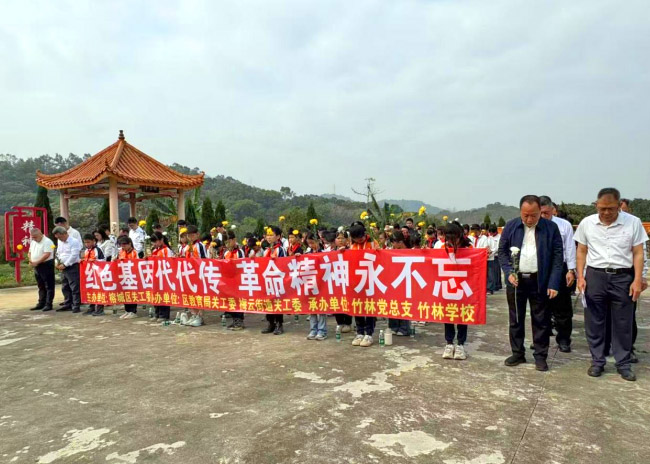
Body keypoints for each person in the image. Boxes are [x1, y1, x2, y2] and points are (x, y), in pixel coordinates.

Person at [575, 188, 648, 381]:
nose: (606, 212)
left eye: (611, 209)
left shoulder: (633, 223)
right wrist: (580, 277)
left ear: (619, 206)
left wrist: (638, 279)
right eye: (602, 209)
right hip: (595, 276)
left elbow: (638, 252)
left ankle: (623, 363)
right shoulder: (587, 223)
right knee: (594, 321)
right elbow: (581, 250)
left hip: (623, 277)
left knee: (623, 322)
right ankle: (597, 361)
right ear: (596, 205)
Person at [498, 195, 563, 372]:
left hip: (539, 280)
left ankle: (540, 357)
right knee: (516, 319)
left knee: (541, 320)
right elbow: (502, 252)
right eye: (525, 215)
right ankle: (517, 353)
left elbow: (558, 257)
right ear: (520, 211)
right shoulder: (511, 226)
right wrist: (508, 272)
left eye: (533, 215)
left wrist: (553, 283)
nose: (529, 219)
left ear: (540, 211)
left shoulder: (551, 228)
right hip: (516, 281)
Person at [540, 196, 577, 352]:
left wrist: (571, 270)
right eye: (540, 213)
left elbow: (570, 248)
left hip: (560, 268)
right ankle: (541, 338)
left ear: (553, 210)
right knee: (541, 307)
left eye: (546, 213)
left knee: (562, 307)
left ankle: (563, 339)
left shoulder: (564, 225)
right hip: (540, 270)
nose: (543, 216)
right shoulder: (532, 225)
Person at [441, 223, 472, 360]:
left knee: (462, 315)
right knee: (448, 314)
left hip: (463, 286)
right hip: (448, 286)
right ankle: (449, 343)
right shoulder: (442, 248)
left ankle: (460, 344)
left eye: (454, 239)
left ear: (460, 236)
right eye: (448, 240)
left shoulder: (469, 249)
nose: (451, 243)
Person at [349, 224, 377, 347]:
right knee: (358, 306)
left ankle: (369, 333)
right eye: (356, 238)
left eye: (360, 238)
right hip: (357, 280)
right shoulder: (352, 246)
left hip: (370, 279)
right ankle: (359, 332)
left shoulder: (373, 243)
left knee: (370, 306)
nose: (359, 240)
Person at [303, 232, 327, 340]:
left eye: (313, 243)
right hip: (310, 283)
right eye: (309, 243)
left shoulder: (324, 253)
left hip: (322, 283)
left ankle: (322, 330)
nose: (311, 245)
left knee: (321, 308)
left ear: (318, 241)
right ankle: (313, 329)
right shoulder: (307, 253)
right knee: (312, 307)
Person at [263, 226, 287, 335]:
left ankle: (279, 324)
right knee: (268, 301)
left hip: (277, 280)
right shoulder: (266, 250)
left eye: (271, 235)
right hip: (267, 280)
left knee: (277, 302)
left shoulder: (280, 249)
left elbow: (284, 264)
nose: (269, 237)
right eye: (267, 235)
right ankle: (270, 323)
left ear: (278, 236)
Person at [53, 226, 82, 313]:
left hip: (72, 266)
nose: (59, 239)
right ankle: (67, 304)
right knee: (65, 286)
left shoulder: (74, 241)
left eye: (59, 237)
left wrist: (65, 264)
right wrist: (57, 263)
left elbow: (74, 255)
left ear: (64, 234)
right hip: (62, 266)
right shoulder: (60, 241)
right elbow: (58, 252)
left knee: (74, 286)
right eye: (57, 238)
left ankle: (76, 305)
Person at [387, 230, 411, 336]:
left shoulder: (409, 251)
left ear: (400, 242)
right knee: (392, 303)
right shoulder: (390, 251)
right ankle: (393, 326)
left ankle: (404, 328)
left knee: (404, 304)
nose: (393, 244)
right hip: (393, 280)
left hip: (405, 281)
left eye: (394, 242)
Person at [223, 230, 246, 330]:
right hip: (229, 280)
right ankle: (234, 319)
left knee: (239, 300)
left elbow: (242, 265)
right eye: (225, 243)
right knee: (231, 300)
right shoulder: (226, 253)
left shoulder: (240, 252)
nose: (227, 244)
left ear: (234, 240)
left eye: (229, 242)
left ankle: (239, 320)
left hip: (238, 280)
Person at [28, 228, 55, 312]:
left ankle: (48, 304)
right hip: (37, 266)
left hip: (46, 265)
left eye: (35, 237)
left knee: (48, 285)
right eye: (32, 237)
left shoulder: (47, 241)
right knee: (40, 285)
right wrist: (31, 260)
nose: (34, 239)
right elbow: (30, 252)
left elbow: (47, 254)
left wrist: (37, 262)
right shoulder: (33, 242)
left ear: (40, 234)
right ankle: (41, 303)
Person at [150, 232, 174, 322]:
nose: (154, 244)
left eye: (155, 241)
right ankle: (157, 313)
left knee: (164, 294)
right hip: (156, 276)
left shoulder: (166, 250)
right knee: (156, 294)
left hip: (164, 275)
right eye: (153, 242)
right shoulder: (154, 250)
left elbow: (169, 263)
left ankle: (164, 315)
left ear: (161, 240)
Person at [81, 233, 106, 315]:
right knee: (90, 290)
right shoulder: (86, 251)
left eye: (88, 242)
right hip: (89, 274)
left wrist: (95, 261)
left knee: (98, 291)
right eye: (85, 242)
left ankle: (100, 309)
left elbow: (103, 261)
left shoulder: (98, 250)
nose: (87, 244)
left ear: (93, 241)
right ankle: (91, 308)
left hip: (97, 274)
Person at [116, 236, 139, 319]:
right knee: (125, 293)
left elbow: (137, 263)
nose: (123, 247)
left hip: (132, 275)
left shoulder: (134, 252)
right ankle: (127, 310)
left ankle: (133, 311)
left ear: (129, 244)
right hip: (123, 275)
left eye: (125, 245)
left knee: (132, 293)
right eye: (122, 245)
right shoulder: (121, 252)